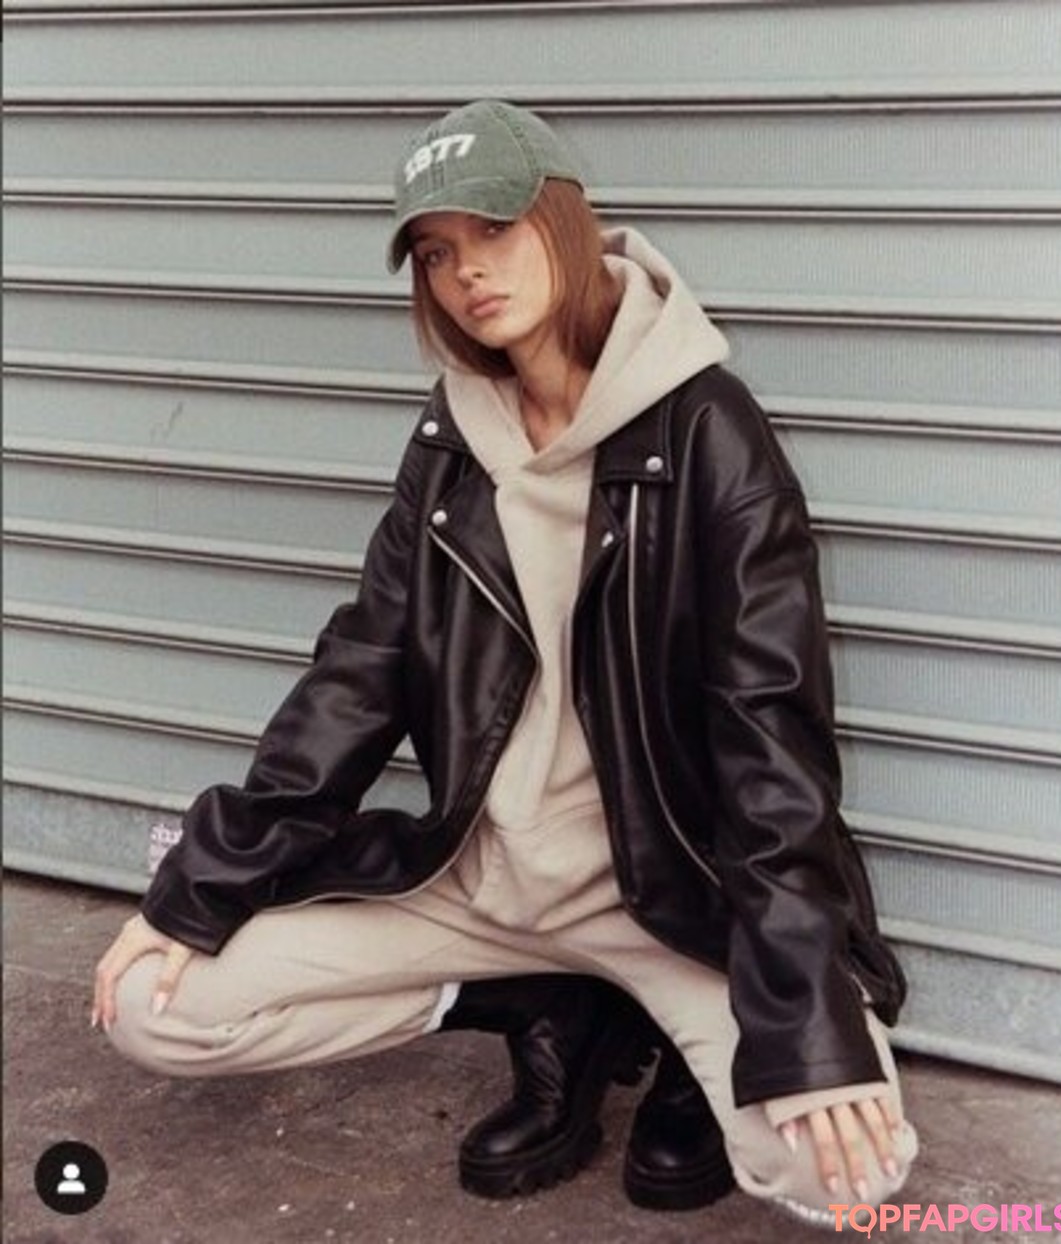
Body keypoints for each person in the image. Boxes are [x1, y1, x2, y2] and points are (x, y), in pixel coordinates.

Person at [92, 99, 918, 1225]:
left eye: (492, 229)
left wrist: (803, 1013)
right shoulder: (451, 443)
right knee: (152, 1001)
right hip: (482, 884)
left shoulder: (707, 431)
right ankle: (539, 1001)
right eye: (436, 253)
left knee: (845, 1171)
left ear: (563, 220)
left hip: (667, 901)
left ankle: (656, 1019)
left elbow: (770, 735)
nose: (467, 272)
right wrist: (197, 889)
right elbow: (359, 674)